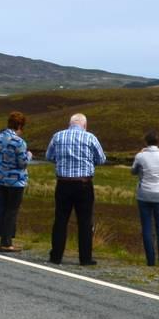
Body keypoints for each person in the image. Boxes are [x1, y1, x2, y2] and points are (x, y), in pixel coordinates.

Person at [45, 113, 107, 265]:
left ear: (69, 123)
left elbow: (49, 156)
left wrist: (61, 161)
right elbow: (101, 159)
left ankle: (56, 257)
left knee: (60, 220)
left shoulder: (58, 136)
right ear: (84, 125)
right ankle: (85, 258)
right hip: (84, 184)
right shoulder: (90, 138)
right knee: (85, 222)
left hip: (63, 183)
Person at [0, 112, 32, 253]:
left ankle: (4, 239)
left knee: (3, 210)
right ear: (20, 125)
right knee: (11, 211)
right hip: (15, 182)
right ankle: (6, 242)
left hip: (0, 179)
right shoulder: (18, 142)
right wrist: (29, 155)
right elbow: (22, 163)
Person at [132, 131, 159, 267]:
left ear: (146, 142)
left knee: (147, 227)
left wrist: (140, 154)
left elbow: (133, 171)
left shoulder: (140, 156)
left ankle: (150, 261)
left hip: (144, 194)